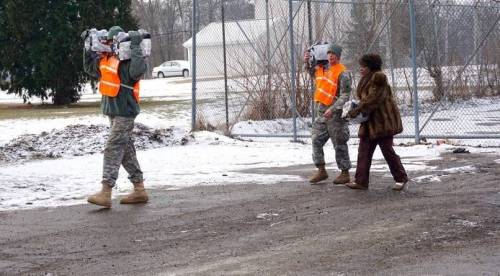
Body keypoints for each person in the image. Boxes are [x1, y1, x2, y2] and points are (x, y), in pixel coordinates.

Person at [83, 26, 149, 207]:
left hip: (125, 111)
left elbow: (138, 71)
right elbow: (89, 68)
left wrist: (135, 46)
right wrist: (87, 45)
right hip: (112, 110)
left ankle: (106, 191)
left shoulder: (127, 60)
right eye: (108, 42)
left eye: (113, 42)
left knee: (113, 147)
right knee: (125, 150)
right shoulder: (106, 59)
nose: (110, 44)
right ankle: (139, 189)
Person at [345, 53, 408, 191]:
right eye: (361, 66)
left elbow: (373, 98)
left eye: (364, 66)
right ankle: (360, 182)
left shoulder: (379, 78)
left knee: (387, 150)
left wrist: (356, 111)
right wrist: (355, 107)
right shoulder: (365, 78)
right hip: (369, 122)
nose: (361, 69)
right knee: (364, 151)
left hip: (383, 121)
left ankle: (401, 178)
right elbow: (365, 99)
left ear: (371, 66)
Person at [304, 44, 352, 185]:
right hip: (323, 112)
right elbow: (310, 71)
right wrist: (306, 60)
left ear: (338, 56)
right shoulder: (322, 69)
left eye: (333, 54)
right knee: (316, 139)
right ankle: (321, 170)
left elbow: (345, 95)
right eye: (329, 53)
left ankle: (345, 173)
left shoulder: (343, 72)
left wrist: (334, 108)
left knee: (339, 143)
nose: (330, 56)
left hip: (335, 114)